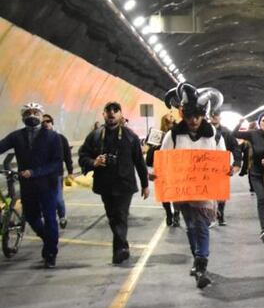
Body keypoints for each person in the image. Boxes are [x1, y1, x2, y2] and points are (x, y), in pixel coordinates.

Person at [152, 84, 229, 288]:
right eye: (190, 116)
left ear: (203, 115)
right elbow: (164, 158)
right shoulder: (174, 135)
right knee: (190, 226)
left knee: (202, 225)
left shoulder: (213, 134)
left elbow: (222, 158)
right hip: (182, 191)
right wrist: (156, 174)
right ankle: (197, 257)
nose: (194, 120)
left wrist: (227, 168)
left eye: (197, 116)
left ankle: (201, 263)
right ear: (183, 114)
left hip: (204, 190)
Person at [78, 101, 150, 264]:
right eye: (108, 110)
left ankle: (119, 250)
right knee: (112, 217)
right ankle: (123, 246)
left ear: (120, 114)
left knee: (121, 215)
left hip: (125, 184)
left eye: (115, 110)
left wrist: (145, 184)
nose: (112, 113)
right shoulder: (95, 136)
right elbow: (82, 156)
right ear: (103, 114)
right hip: (105, 185)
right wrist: (93, 162)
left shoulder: (130, 136)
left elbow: (139, 162)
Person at [0, 103, 63, 267]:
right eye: (28, 112)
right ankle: (47, 238)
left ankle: (50, 254)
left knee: (50, 219)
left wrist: (35, 172)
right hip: (27, 186)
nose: (32, 115)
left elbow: (56, 163)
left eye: (35, 112)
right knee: (33, 218)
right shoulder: (16, 136)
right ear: (23, 116)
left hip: (47, 185)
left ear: (41, 115)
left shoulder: (53, 137)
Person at [234, 112, 264, 241]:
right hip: (256, 173)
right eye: (263, 121)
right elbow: (234, 134)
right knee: (261, 198)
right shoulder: (253, 134)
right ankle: (263, 228)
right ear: (259, 123)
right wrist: (239, 123)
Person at [146, 113, 179, 227]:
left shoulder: (177, 132)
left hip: (175, 166)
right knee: (164, 193)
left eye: (172, 116)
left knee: (175, 192)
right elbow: (151, 152)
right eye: (169, 117)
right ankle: (169, 213)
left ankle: (177, 214)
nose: (172, 117)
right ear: (164, 120)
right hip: (161, 166)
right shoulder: (158, 134)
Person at [209, 110, 242, 226]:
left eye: (216, 115)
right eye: (211, 115)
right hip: (205, 167)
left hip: (222, 166)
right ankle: (210, 216)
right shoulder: (201, 131)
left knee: (221, 192)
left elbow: (235, 147)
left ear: (220, 117)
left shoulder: (226, 132)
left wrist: (237, 164)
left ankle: (220, 214)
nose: (214, 117)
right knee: (208, 192)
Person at [42, 114, 73, 229]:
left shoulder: (60, 138)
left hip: (57, 175)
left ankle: (62, 216)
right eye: (43, 122)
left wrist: (70, 172)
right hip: (42, 175)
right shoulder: (38, 141)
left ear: (52, 123)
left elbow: (67, 156)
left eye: (48, 121)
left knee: (58, 199)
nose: (45, 123)